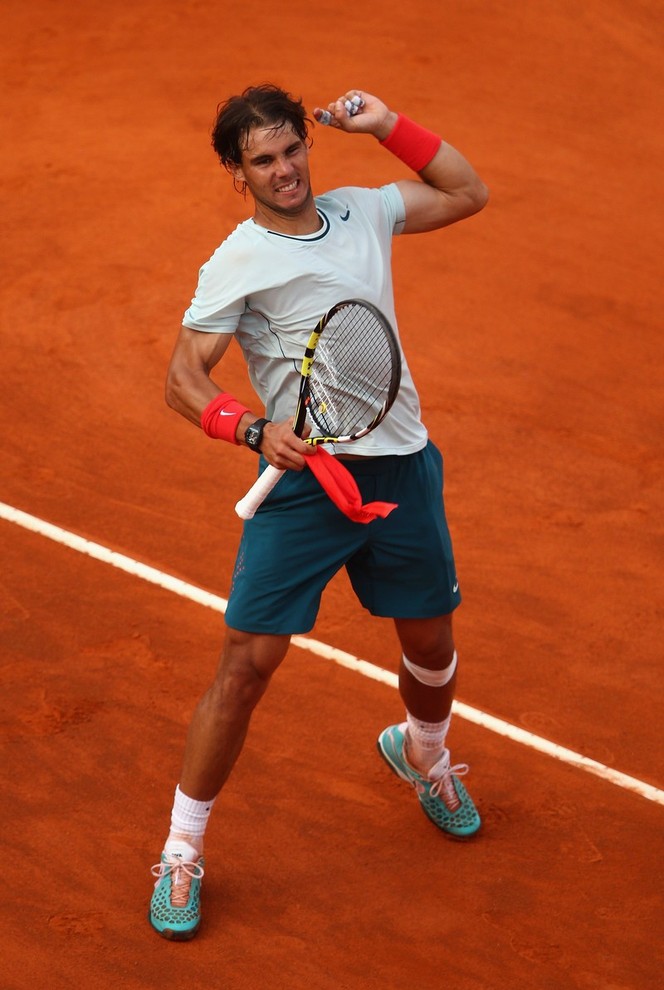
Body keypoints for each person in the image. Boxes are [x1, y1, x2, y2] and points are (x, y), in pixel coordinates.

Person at [149, 84, 489, 940]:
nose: (284, 170)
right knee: (246, 666)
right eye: (262, 160)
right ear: (238, 174)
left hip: (402, 467)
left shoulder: (362, 212)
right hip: (305, 485)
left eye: (291, 150)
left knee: (432, 644)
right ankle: (183, 850)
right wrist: (254, 429)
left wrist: (388, 126)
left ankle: (422, 755)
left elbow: (466, 192)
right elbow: (184, 381)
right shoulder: (237, 262)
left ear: (307, 147)